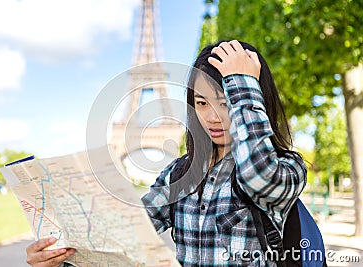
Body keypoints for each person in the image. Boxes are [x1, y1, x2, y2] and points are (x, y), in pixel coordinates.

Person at [25, 40, 306, 266]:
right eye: (201, 102)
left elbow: (259, 175)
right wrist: (61, 258)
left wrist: (242, 82)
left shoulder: (286, 167)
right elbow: (121, 236)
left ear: (252, 98)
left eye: (227, 102)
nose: (213, 117)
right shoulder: (179, 174)